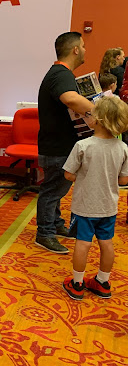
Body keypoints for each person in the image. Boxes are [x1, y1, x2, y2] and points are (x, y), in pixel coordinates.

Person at [61, 96, 128, 300]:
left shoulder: (83, 145)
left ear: (97, 120)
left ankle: (78, 283)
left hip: (85, 206)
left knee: (83, 243)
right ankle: (102, 281)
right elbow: (123, 180)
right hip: (109, 206)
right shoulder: (123, 148)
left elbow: (68, 174)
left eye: (89, 114)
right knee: (106, 243)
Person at [36, 31, 94, 253]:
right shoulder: (61, 74)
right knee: (52, 191)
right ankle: (45, 233)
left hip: (59, 144)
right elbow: (70, 98)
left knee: (57, 190)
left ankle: (56, 225)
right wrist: (102, 111)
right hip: (57, 146)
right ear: (75, 49)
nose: (86, 50)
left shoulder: (60, 73)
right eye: (84, 45)